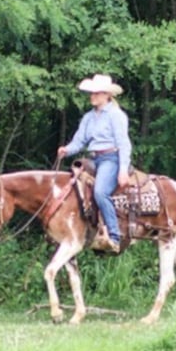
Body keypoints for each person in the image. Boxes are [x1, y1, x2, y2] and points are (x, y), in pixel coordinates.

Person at [57, 74, 132, 253]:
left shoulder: (116, 115)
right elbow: (79, 141)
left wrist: (122, 169)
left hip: (111, 158)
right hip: (93, 159)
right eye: (91, 93)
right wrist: (66, 150)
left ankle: (114, 236)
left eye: (96, 93)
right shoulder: (89, 117)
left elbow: (123, 143)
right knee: (72, 189)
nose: (92, 96)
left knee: (100, 192)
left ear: (107, 95)